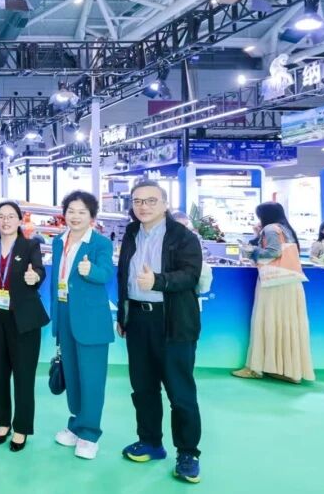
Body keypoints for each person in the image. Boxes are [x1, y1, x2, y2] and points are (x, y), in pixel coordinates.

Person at [117, 181, 204, 485]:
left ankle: (188, 453)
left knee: (180, 392)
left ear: (165, 204)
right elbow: (124, 276)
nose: (143, 206)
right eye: (138, 201)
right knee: (142, 387)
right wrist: (123, 315)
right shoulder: (131, 233)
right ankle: (150, 441)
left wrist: (158, 281)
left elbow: (190, 275)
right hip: (138, 320)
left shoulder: (183, 237)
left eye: (151, 200)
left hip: (173, 322)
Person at [0, 201, 48, 453]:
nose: (5, 221)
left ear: (19, 220)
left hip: (24, 321)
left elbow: (39, 270)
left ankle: (21, 427)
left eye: (10, 216)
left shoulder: (30, 246)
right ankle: (3, 422)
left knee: (24, 376)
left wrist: (35, 276)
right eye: (1, 217)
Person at [50, 190, 113, 460]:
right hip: (65, 314)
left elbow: (107, 273)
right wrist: (55, 317)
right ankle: (77, 425)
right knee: (73, 376)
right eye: (71, 211)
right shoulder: (58, 241)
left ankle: (90, 434)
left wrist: (92, 271)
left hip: (91, 321)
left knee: (92, 379)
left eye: (82, 212)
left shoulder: (100, 243)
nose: (75, 216)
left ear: (92, 216)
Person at [235, 202, 315, 385]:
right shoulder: (285, 229)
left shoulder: (270, 228)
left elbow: (273, 252)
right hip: (290, 281)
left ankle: (256, 368)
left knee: (266, 320)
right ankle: (288, 370)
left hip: (273, 282)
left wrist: (251, 250)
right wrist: (258, 236)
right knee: (287, 323)